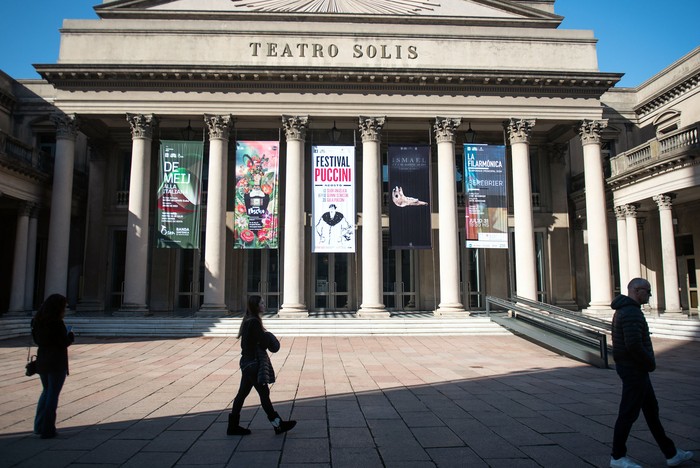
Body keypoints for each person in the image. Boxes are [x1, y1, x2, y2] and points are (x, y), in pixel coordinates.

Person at [609, 278, 694, 468]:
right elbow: (634, 345)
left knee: (651, 412)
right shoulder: (631, 313)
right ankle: (617, 456)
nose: (649, 295)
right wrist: (649, 362)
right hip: (634, 370)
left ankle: (670, 452)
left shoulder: (626, 311)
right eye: (647, 291)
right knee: (628, 413)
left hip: (633, 368)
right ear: (637, 291)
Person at [227, 295, 296, 436]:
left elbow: (246, 343)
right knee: (263, 393)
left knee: (242, 394)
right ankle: (278, 424)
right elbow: (264, 343)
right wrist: (268, 336)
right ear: (256, 306)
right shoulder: (254, 322)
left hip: (246, 363)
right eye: (262, 303)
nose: (264, 305)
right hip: (252, 364)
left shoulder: (248, 320)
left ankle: (233, 426)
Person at [31, 294, 74, 439]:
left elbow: (37, 340)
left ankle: (38, 426)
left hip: (42, 360)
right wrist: (70, 337)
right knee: (52, 395)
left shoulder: (37, 321)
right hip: (56, 361)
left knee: (46, 391)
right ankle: (48, 429)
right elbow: (63, 342)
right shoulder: (56, 323)